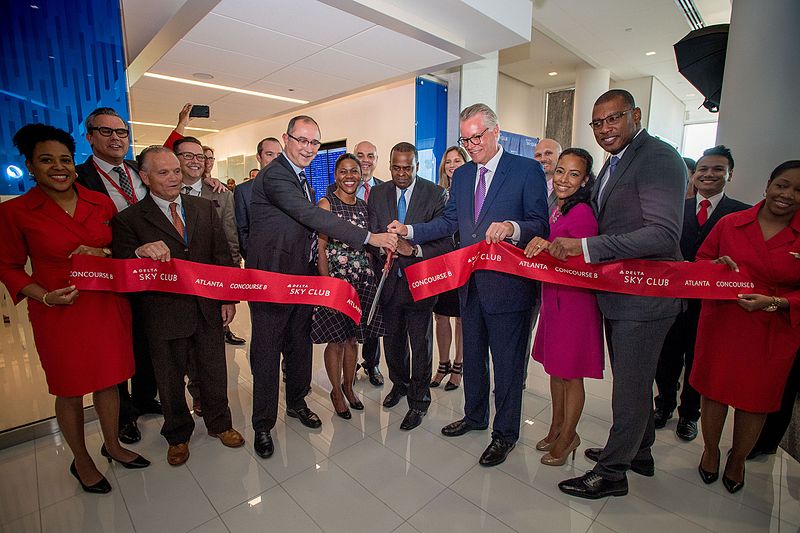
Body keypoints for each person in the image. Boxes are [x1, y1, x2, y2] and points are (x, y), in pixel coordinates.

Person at [388, 103, 549, 465]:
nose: (472, 145)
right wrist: (410, 230)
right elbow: (447, 223)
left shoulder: (526, 171)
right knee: (472, 356)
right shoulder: (462, 177)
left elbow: (541, 222)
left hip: (509, 287)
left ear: (496, 132)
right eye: (466, 138)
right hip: (469, 285)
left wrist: (513, 228)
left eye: (478, 136)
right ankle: (475, 416)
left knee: (506, 365)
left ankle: (505, 433)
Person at [550, 89, 686, 499]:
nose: (605, 128)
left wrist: (588, 247)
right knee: (635, 383)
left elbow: (663, 234)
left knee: (629, 387)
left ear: (636, 115)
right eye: (598, 122)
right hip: (620, 294)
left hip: (645, 300)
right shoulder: (617, 161)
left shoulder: (658, 157)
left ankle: (612, 473)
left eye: (614, 119)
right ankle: (638, 452)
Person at [0, 124, 149, 494]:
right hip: (58, 310)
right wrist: (44, 296)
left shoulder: (98, 201)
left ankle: (112, 445)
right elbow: (8, 266)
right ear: (31, 167)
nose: (58, 167)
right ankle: (81, 459)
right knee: (69, 388)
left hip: (106, 305)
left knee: (110, 379)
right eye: (46, 160)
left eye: (65, 159)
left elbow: (122, 246)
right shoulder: (17, 211)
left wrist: (105, 253)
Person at [247, 115, 397, 459]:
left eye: (315, 143)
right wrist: (368, 237)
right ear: (286, 139)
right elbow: (311, 216)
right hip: (271, 280)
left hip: (301, 279)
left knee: (299, 345)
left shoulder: (302, 177)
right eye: (302, 140)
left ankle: (297, 403)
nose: (308, 148)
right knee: (268, 353)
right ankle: (263, 425)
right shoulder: (277, 175)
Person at [112, 146, 245, 466]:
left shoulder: (202, 207)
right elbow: (120, 265)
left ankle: (220, 424)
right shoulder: (129, 219)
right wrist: (139, 253)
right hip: (163, 312)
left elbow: (220, 255)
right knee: (168, 378)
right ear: (144, 177)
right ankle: (177, 434)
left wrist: (227, 296)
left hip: (206, 306)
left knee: (214, 369)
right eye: (163, 172)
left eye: (175, 170)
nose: (173, 177)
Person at [692, 160, 800, 494]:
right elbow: (700, 263)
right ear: (768, 184)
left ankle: (738, 458)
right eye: (782, 185)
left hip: (773, 329)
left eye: (798, 190)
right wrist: (715, 267)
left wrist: (777, 302)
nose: (787, 195)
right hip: (725, 322)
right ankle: (710, 450)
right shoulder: (730, 223)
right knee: (714, 392)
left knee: (756, 401)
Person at [74, 107, 160, 445]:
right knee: (116, 347)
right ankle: (124, 415)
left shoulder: (141, 172)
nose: (115, 138)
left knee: (147, 338)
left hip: (151, 274)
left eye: (121, 132)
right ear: (90, 136)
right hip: (110, 275)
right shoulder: (80, 178)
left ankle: (144, 398)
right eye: (106, 131)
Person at [654, 146, 749, 441]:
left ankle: (689, 415)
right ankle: (664, 405)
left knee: (698, 358)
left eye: (717, 169)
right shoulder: (675, 210)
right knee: (666, 357)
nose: (709, 175)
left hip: (711, 305)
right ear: (693, 175)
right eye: (703, 170)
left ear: (729, 174)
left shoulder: (741, 214)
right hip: (673, 299)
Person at [524, 148, 603, 466]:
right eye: (560, 171)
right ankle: (557, 427)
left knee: (571, 375)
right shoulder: (556, 208)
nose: (564, 179)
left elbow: (587, 260)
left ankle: (570, 436)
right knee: (555, 371)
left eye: (573, 174)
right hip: (554, 298)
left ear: (585, 180)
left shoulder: (582, 212)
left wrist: (548, 249)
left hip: (575, 304)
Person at [369, 142, 451, 430]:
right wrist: (382, 248)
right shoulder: (377, 193)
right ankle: (399, 385)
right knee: (392, 343)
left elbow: (444, 240)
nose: (402, 174)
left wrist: (413, 250)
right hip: (388, 283)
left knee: (420, 343)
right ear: (389, 165)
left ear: (417, 166)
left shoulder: (435, 194)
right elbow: (372, 234)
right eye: (396, 167)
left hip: (421, 281)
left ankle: (419, 400)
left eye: (408, 168)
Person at [312, 154, 384, 418]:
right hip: (336, 281)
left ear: (361, 174)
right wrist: (327, 285)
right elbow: (319, 248)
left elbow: (369, 243)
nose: (350, 176)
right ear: (336, 175)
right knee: (336, 340)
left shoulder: (365, 207)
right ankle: (335, 390)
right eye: (343, 171)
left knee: (353, 338)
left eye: (354, 171)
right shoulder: (326, 204)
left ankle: (348, 386)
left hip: (361, 280)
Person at [175, 139, 245, 348]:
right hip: (173, 289)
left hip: (210, 287)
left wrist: (229, 295)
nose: (196, 161)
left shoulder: (222, 195)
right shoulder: (163, 191)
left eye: (201, 157)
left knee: (208, 360)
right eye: (188, 156)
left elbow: (231, 243)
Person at [430, 145, 468, 390]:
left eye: (457, 160)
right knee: (441, 315)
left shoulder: (472, 192)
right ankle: (442, 364)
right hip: (442, 261)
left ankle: (458, 365)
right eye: (449, 161)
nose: (452, 165)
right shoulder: (438, 193)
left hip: (465, 260)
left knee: (462, 317)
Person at [234, 137, 282, 262]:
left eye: (279, 155)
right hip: (259, 261)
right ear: (259, 157)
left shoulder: (293, 187)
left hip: (289, 261)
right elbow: (241, 230)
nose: (275, 159)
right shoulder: (243, 191)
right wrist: (253, 257)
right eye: (269, 154)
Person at [534, 138, 563, 211]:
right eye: (538, 155)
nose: (542, 159)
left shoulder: (568, 187)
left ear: (560, 156)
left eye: (548, 153)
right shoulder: (528, 186)